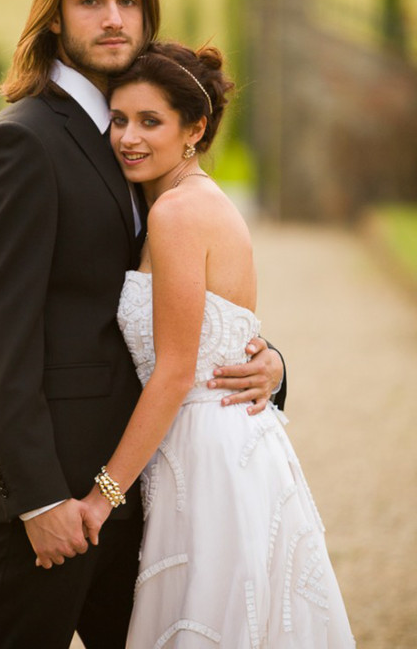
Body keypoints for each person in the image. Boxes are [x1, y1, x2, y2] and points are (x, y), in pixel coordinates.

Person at [0, 0, 286, 649]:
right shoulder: (23, 141)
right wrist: (41, 499)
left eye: (130, 1)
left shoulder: (138, 138)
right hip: (59, 498)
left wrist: (271, 364)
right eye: (92, 1)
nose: (113, 18)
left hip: (151, 487)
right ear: (54, 19)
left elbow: (180, 297)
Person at [79, 41, 355, 647]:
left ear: (194, 129)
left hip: (208, 452)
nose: (128, 137)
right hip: (214, 445)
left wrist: (101, 498)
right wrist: (273, 363)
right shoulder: (187, 202)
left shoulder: (178, 214)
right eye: (119, 119)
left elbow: (176, 372)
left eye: (150, 121)